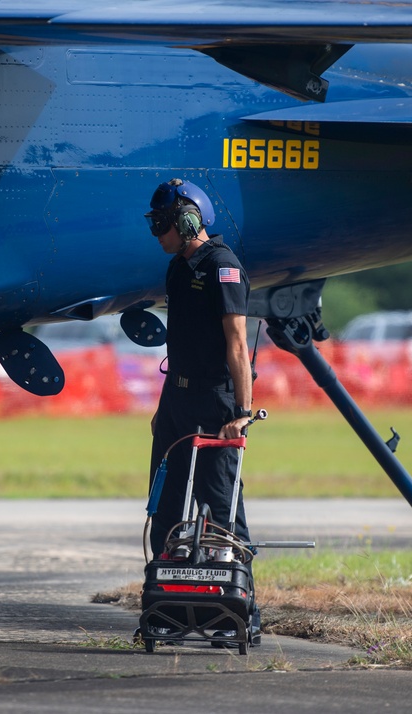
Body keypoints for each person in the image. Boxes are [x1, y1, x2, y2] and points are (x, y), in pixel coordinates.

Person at [144, 177, 258, 643]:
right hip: (177, 400)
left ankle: (240, 612)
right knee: (165, 508)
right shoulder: (176, 269)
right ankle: (169, 610)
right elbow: (180, 343)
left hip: (215, 403)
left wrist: (244, 410)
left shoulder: (223, 267)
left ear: (188, 221)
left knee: (222, 510)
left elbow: (236, 344)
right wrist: (163, 406)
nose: (158, 235)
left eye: (162, 225)